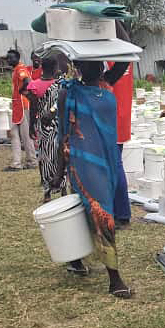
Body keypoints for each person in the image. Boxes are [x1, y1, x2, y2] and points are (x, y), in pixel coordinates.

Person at [52, 59, 132, 297]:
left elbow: (124, 60)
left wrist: (115, 31)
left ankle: (76, 260)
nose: (95, 67)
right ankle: (114, 279)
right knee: (102, 214)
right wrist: (59, 171)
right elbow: (63, 134)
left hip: (108, 159)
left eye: (97, 63)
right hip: (83, 162)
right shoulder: (68, 93)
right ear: (78, 66)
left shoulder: (106, 84)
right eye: (87, 63)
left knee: (84, 211)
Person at [28, 55, 68, 202]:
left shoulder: (34, 85)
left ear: (41, 67)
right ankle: (63, 189)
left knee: (45, 158)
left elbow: (33, 108)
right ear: (56, 68)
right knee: (61, 155)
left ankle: (47, 192)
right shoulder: (61, 85)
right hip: (59, 125)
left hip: (43, 127)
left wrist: (31, 126)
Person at [109, 21, 135, 227]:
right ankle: (120, 211)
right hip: (121, 115)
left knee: (114, 165)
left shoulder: (109, 58)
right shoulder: (125, 56)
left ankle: (122, 213)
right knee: (115, 164)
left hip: (110, 116)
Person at [5, 49, 37, 171]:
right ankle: (16, 162)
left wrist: (21, 91)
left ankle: (32, 161)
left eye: (11, 58)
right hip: (17, 105)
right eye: (7, 58)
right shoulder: (16, 70)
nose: (8, 60)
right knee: (14, 134)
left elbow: (27, 81)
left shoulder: (21, 69)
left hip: (23, 105)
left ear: (17, 58)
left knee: (26, 135)